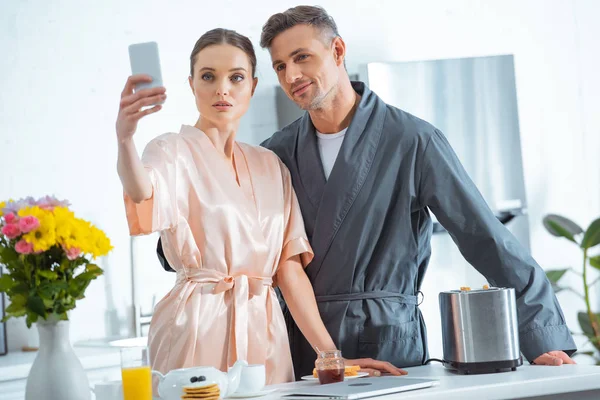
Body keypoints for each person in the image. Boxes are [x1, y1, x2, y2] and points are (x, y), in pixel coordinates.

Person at [256, 6, 577, 379]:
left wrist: (541, 333)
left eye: (302, 57)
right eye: (280, 66)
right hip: (306, 349)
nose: (291, 75)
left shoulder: (412, 140)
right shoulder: (275, 152)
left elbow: (484, 236)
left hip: (388, 344)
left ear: (338, 51)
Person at [116, 28, 403, 384]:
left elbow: (289, 269)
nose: (222, 89)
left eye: (235, 78)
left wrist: (330, 354)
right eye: (208, 77)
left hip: (264, 330)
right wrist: (125, 137)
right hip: (196, 325)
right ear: (191, 85)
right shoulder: (170, 151)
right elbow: (142, 190)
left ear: (251, 86)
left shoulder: (270, 165)